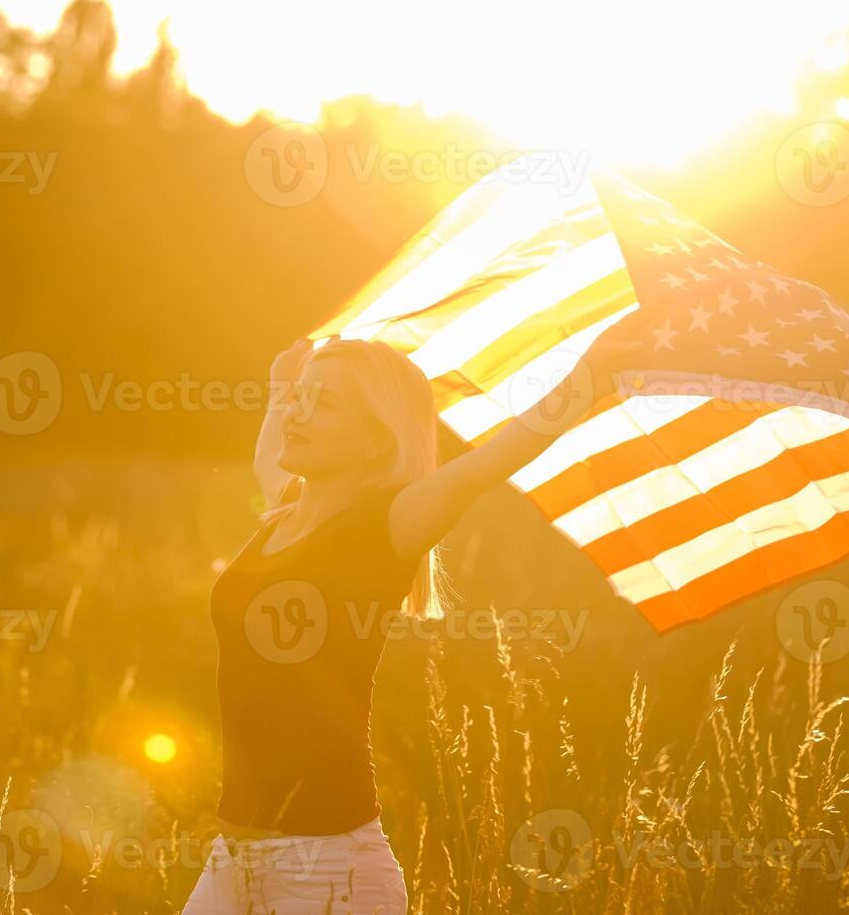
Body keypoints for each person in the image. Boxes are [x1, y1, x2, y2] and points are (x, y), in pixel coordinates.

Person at [183, 321, 645, 914]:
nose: (298, 414)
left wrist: (589, 376)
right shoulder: (282, 513)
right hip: (234, 858)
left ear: (377, 440)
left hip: (329, 867)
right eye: (303, 398)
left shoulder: (390, 525)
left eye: (323, 404)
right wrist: (281, 386)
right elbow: (269, 451)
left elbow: (487, 465)